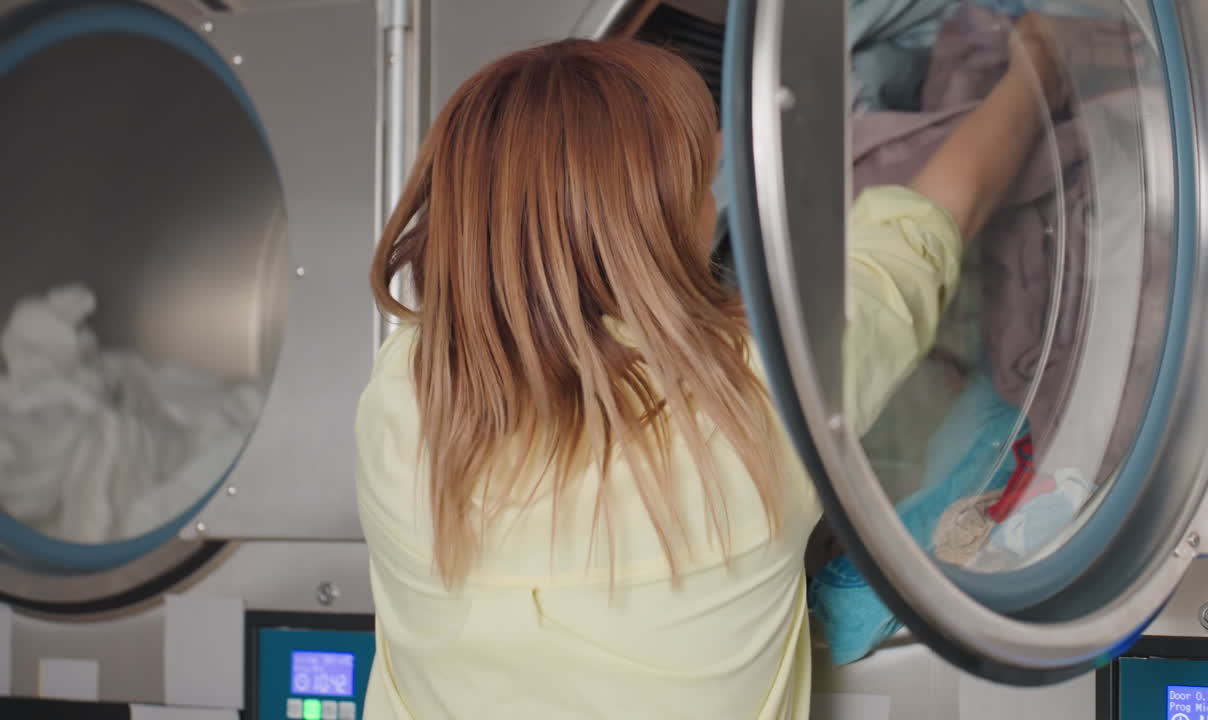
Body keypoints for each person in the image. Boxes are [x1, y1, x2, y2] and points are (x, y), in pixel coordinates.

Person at [357, 14, 1075, 719]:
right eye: (701, 183)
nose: (712, 197)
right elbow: (935, 217)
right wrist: (1035, 72)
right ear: (658, 224)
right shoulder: (759, 402)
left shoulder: (402, 398)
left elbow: (510, 269)